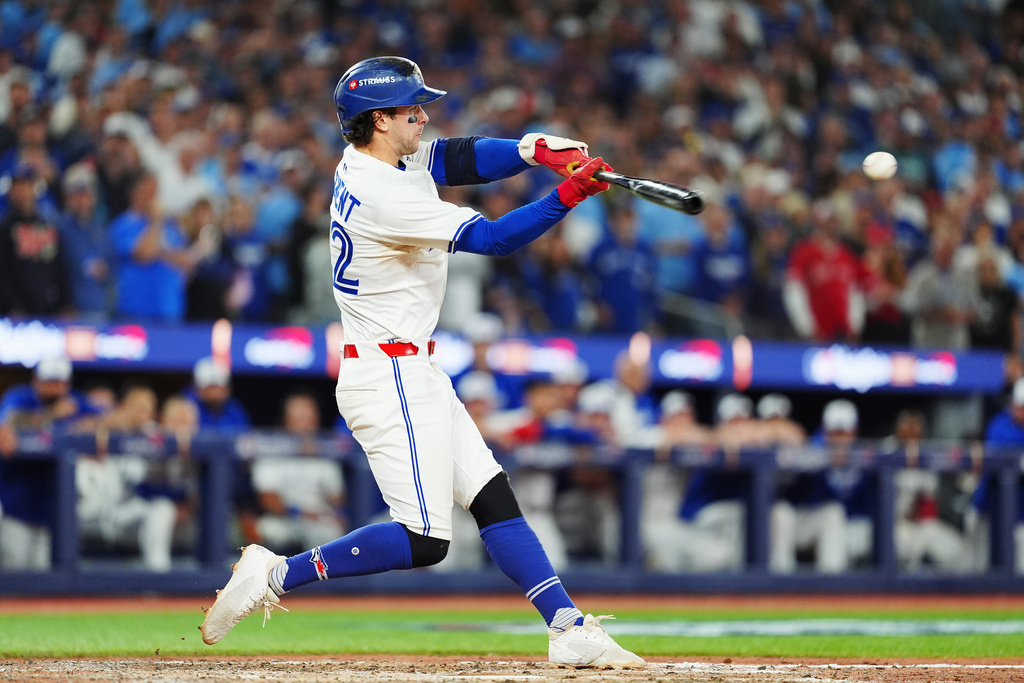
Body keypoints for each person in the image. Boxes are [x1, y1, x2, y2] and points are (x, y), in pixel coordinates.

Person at [201, 56, 642, 669]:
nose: (423, 114)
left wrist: (535, 148)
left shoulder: (376, 159)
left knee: (491, 496)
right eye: (411, 108)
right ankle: (276, 573)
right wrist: (566, 194)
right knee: (425, 540)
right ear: (378, 119)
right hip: (388, 374)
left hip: (411, 368)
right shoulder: (382, 195)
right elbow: (489, 240)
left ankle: (566, 626)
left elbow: (454, 158)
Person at [0, 358, 100, 570]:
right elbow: (10, 420)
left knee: (43, 574)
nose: (54, 387)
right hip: (16, 504)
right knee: (15, 568)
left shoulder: (75, 401)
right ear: (36, 381)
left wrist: (92, 426)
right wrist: (53, 415)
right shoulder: (21, 397)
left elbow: (109, 418)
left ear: (67, 384)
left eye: (58, 382)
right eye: (48, 382)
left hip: (53, 509)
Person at [251, 390, 347, 554]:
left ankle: (328, 580)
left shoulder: (324, 449)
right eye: (298, 416)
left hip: (318, 518)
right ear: (286, 418)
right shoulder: (273, 447)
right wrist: (300, 513)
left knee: (332, 532)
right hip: (283, 518)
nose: (304, 422)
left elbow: (337, 496)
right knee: (271, 529)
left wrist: (329, 511)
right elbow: (267, 498)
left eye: (308, 416)